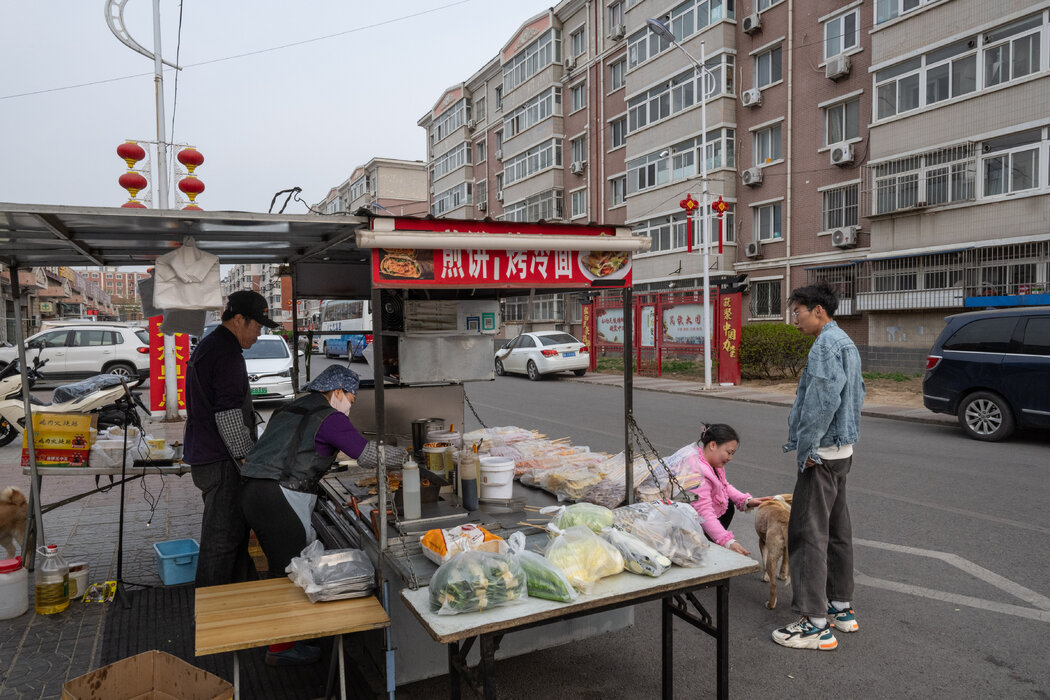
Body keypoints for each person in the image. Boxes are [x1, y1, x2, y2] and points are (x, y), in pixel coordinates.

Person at [239, 364, 407, 666]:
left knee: (286, 567)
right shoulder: (330, 417)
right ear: (337, 392)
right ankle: (281, 648)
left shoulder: (288, 409)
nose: (349, 407)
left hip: (253, 491)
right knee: (290, 572)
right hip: (279, 497)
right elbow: (367, 455)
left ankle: (293, 635)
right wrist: (407, 457)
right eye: (351, 400)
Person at [772, 281, 865, 651]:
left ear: (819, 311)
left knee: (809, 534)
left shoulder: (826, 345)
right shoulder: (846, 342)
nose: (795, 319)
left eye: (798, 312)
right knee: (838, 530)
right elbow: (855, 396)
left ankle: (814, 623)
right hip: (843, 451)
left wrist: (806, 448)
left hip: (823, 453)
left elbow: (822, 403)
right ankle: (841, 608)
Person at [184, 290, 277, 588]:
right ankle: (209, 614)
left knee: (234, 538)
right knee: (221, 543)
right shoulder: (226, 354)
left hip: (208, 455)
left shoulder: (211, 346)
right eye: (258, 326)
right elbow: (227, 414)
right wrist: (250, 461)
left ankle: (243, 603)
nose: (259, 334)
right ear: (239, 319)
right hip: (222, 462)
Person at [683, 423, 770, 555]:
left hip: (699, 519)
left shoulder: (711, 462)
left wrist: (745, 500)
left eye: (732, 453)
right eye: (729, 452)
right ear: (713, 445)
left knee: (728, 504)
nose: (730, 458)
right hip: (687, 526)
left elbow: (723, 485)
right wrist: (727, 541)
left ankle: (710, 543)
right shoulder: (697, 471)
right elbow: (703, 512)